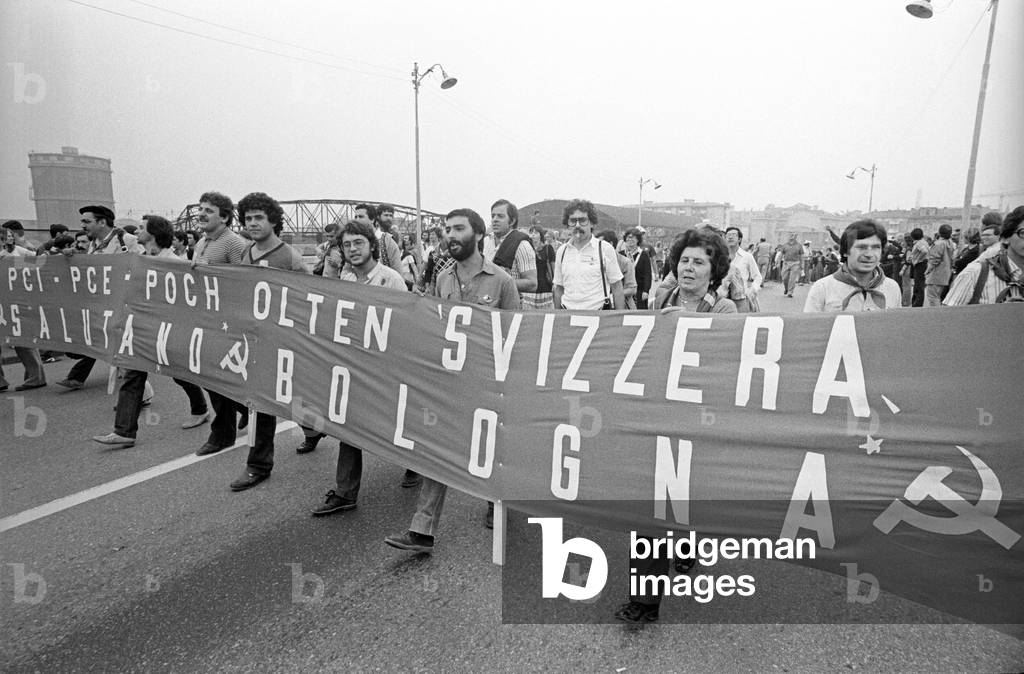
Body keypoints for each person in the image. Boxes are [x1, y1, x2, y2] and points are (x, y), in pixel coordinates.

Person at [615, 228, 736, 625]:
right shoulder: (660, 299)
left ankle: (685, 544)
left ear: (713, 270)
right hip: (660, 415)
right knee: (650, 508)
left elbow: (725, 366)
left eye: (699, 261)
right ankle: (644, 602)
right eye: (684, 259)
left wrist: (686, 329)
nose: (689, 267)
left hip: (700, 421)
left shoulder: (725, 311)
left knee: (684, 498)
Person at [384, 208, 519, 553]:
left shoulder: (502, 281)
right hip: (448, 380)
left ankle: (495, 499)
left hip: (488, 381)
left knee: (489, 447)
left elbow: (518, 336)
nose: (450, 235)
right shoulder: (442, 280)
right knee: (437, 448)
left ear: (478, 235)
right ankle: (422, 530)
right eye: (446, 229)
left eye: (458, 228)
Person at [309, 220, 409, 515]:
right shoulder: (345, 280)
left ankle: (415, 464)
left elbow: (404, 325)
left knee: (399, 422)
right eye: (346, 245)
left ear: (371, 245)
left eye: (358, 243)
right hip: (354, 365)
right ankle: (345, 491)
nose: (352, 250)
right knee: (348, 425)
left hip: (387, 367)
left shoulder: (391, 280)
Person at [91, 216, 212, 449]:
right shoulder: (139, 257)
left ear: (154, 232)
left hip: (167, 329)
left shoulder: (173, 262)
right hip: (142, 329)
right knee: (133, 375)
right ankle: (124, 431)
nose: (137, 231)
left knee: (181, 373)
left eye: (142, 228)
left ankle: (202, 409)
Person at [225, 192, 310, 492]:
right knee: (261, 399)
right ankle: (258, 464)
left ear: (273, 220)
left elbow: (309, 296)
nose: (253, 223)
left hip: (287, 339)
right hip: (260, 341)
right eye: (248, 218)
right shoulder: (247, 253)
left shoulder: (289, 256)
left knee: (299, 392)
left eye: (259, 217)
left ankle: (311, 428)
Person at [191, 192, 253, 454]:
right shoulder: (202, 243)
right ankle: (243, 406)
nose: (202, 214)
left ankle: (222, 435)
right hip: (206, 317)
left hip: (227, 322)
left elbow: (245, 281)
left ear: (225, 217)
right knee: (208, 374)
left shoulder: (234, 243)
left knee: (217, 375)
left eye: (209, 210)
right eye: (200, 209)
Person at [55, 205, 142, 391]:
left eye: (87, 221)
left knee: (117, 344)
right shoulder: (93, 244)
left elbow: (144, 266)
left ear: (102, 222)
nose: (82, 225)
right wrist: (73, 257)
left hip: (125, 304)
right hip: (103, 304)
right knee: (104, 340)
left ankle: (138, 394)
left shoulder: (126, 239)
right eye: (82, 222)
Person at [803, 220, 902, 312]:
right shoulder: (822, 288)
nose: (869, 254)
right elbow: (808, 328)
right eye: (861, 247)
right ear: (846, 251)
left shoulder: (892, 288)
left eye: (876, 247)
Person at [551, 199, 625, 310]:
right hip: (567, 317)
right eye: (572, 221)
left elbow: (617, 286)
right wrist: (557, 319)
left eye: (582, 220)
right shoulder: (562, 251)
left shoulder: (604, 249)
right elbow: (559, 288)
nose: (577, 225)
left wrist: (620, 320)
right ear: (567, 224)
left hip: (598, 317)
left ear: (592, 223)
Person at [944, 205, 1024, 305]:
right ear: (1006, 237)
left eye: (988, 235)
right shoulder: (975, 273)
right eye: (1023, 233)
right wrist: (997, 314)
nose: (985, 238)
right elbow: (948, 317)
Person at [0, 226, 46, 392]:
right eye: (7, 236)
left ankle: (36, 377)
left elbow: (39, 264)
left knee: (22, 340)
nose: (10, 238)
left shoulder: (19, 252)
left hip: (17, 301)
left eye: (10, 235)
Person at [651, 229, 738, 314]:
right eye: (684, 261)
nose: (688, 267)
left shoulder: (724, 309)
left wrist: (689, 320)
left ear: (713, 272)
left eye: (698, 262)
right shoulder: (657, 304)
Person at [486, 199, 538, 298]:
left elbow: (532, 284)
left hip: (509, 306)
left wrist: (498, 283)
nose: (494, 219)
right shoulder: (485, 241)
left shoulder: (522, 244)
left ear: (512, 221)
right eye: (493, 216)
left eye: (500, 216)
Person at [352, 203, 404, 276]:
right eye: (355, 217)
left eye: (361, 217)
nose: (357, 220)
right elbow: (346, 270)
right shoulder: (352, 241)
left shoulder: (387, 241)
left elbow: (398, 274)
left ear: (372, 219)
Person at [722, 226, 762, 311]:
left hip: (741, 299)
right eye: (728, 235)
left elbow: (758, 277)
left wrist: (752, 290)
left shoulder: (747, 256)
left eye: (733, 235)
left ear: (739, 239)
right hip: (722, 298)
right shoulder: (720, 257)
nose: (730, 237)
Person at [596, 230, 637, 309]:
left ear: (610, 244)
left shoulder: (625, 262)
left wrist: (612, 295)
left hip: (622, 307)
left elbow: (632, 289)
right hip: (599, 307)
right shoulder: (595, 261)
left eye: (600, 244)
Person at [523, 224, 556, 309]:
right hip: (530, 289)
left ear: (541, 235)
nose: (533, 234)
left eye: (536, 232)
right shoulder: (526, 249)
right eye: (531, 232)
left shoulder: (548, 248)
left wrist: (555, 283)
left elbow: (553, 268)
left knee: (545, 315)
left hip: (545, 288)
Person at [924, 224, 955, 306]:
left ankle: (935, 315)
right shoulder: (950, 243)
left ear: (939, 232)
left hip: (936, 274)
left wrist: (926, 272)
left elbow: (934, 260)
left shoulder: (938, 244)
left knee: (933, 297)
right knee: (937, 296)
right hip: (945, 273)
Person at [623, 227, 653, 309]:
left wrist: (646, 291)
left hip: (639, 291)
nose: (630, 239)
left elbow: (648, 274)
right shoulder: (621, 254)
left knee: (639, 316)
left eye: (633, 237)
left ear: (638, 240)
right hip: (624, 291)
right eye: (628, 237)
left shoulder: (643, 255)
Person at [905, 227, 929, 307]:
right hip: (921, 264)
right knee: (918, 284)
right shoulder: (923, 242)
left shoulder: (919, 243)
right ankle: (915, 302)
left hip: (920, 265)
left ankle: (917, 304)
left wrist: (917, 260)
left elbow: (924, 251)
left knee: (918, 285)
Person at [779, 233, 803, 298]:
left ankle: (790, 292)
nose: (791, 237)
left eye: (793, 236)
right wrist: (778, 263)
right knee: (784, 277)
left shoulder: (799, 246)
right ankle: (786, 288)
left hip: (795, 263)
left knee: (792, 279)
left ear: (796, 237)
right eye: (790, 235)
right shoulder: (785, 245)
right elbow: (781, 254)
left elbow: (801, 256)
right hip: (786, 263)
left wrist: (801, 264)